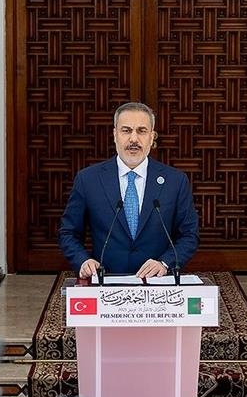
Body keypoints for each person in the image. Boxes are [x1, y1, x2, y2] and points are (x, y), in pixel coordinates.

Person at [59, 102, 199, 279]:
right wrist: (83, 261)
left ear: (152, 137)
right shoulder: (88, 179)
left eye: (141, 131)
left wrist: (165, 263)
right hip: (105, 280)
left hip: (157, 283)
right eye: (126, 130)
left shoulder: (175, 181)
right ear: (115, 135)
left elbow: (189, 235)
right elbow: (68, 232)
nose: (134, 139)